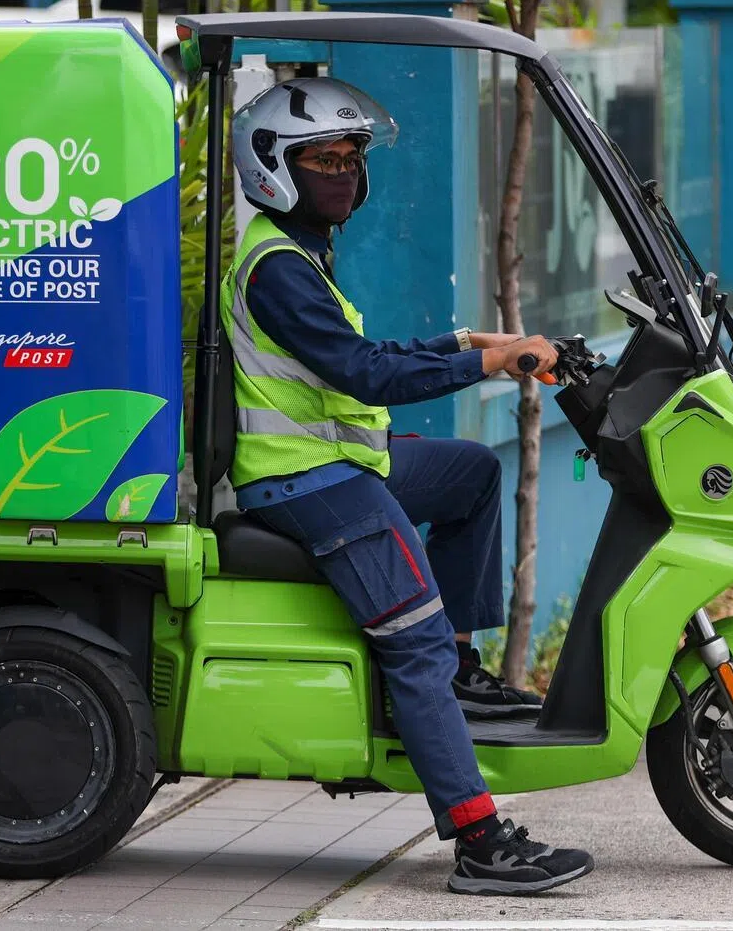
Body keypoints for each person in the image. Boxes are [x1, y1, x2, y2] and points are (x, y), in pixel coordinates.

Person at [221, 77, 594, 896]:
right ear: (274, 168)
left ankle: (458, 669)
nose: (346, 173)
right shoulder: (276, 268)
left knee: (471, 474)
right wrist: (488, 363)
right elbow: (365, 373)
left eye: (352, 158)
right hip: (302, 481)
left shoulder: (299, 252)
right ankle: (480, 842)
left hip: (337, 462)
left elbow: (365, 358)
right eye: (325, 159)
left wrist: (468, 342)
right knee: (411, 641)